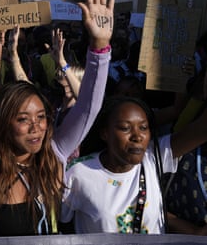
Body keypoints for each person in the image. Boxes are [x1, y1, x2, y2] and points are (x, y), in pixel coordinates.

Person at [0, 0, 114, 236]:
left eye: (42, 117)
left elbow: (88, 109)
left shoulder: (54, 154)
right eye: (23, 119)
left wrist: (100, 47)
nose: (36, 127)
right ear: (3, 123)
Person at [62, 95, 207, 234]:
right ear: (105, 133)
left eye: (143, 128)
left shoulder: (153, 157)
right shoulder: (78, 172)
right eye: (125, 128)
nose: (137, 136)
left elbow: (202, 129)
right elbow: (60, 224)